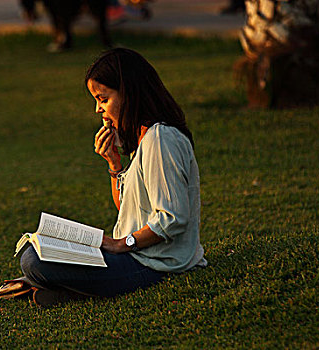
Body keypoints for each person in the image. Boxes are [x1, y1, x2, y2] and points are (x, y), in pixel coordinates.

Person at [18, 48, 207, 307]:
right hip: (137, 255)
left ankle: (74, 290)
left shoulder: (160, 139)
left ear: (128, 93)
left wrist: (123, 244)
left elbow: (172, 218)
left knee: (33, 261)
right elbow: (127, 209)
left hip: (156, 263)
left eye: (103, 98)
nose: (98, 109)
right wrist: (114, 165)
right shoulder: (143, 138)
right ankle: (72, 290)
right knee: (38, 251)